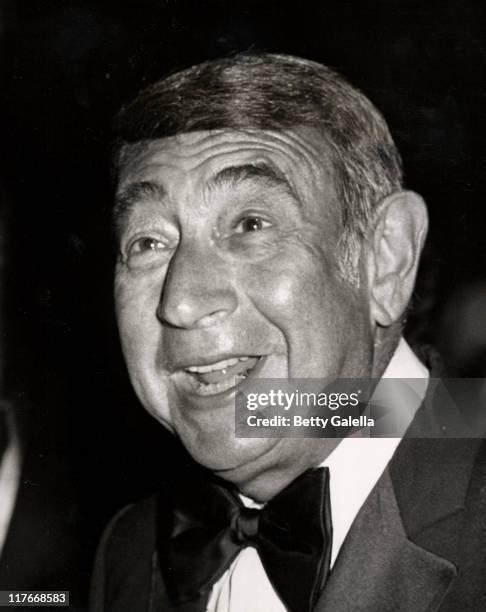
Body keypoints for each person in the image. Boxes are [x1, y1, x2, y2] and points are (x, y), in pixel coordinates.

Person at [90, 54, 486, 611]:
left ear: (387, 259)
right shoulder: (130, 553)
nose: (181, 302)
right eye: (148, 242)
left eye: (251, 225)